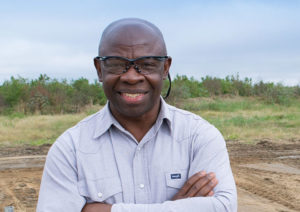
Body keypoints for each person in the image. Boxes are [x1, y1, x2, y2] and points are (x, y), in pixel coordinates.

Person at [37, 18, 237, 212]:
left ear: (165, 68)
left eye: (147, 63)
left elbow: (223, 207)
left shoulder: (198, 137)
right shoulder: (70, 149)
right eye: (116, 64)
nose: (131, 77)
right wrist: (176, 207)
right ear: (99, 69)